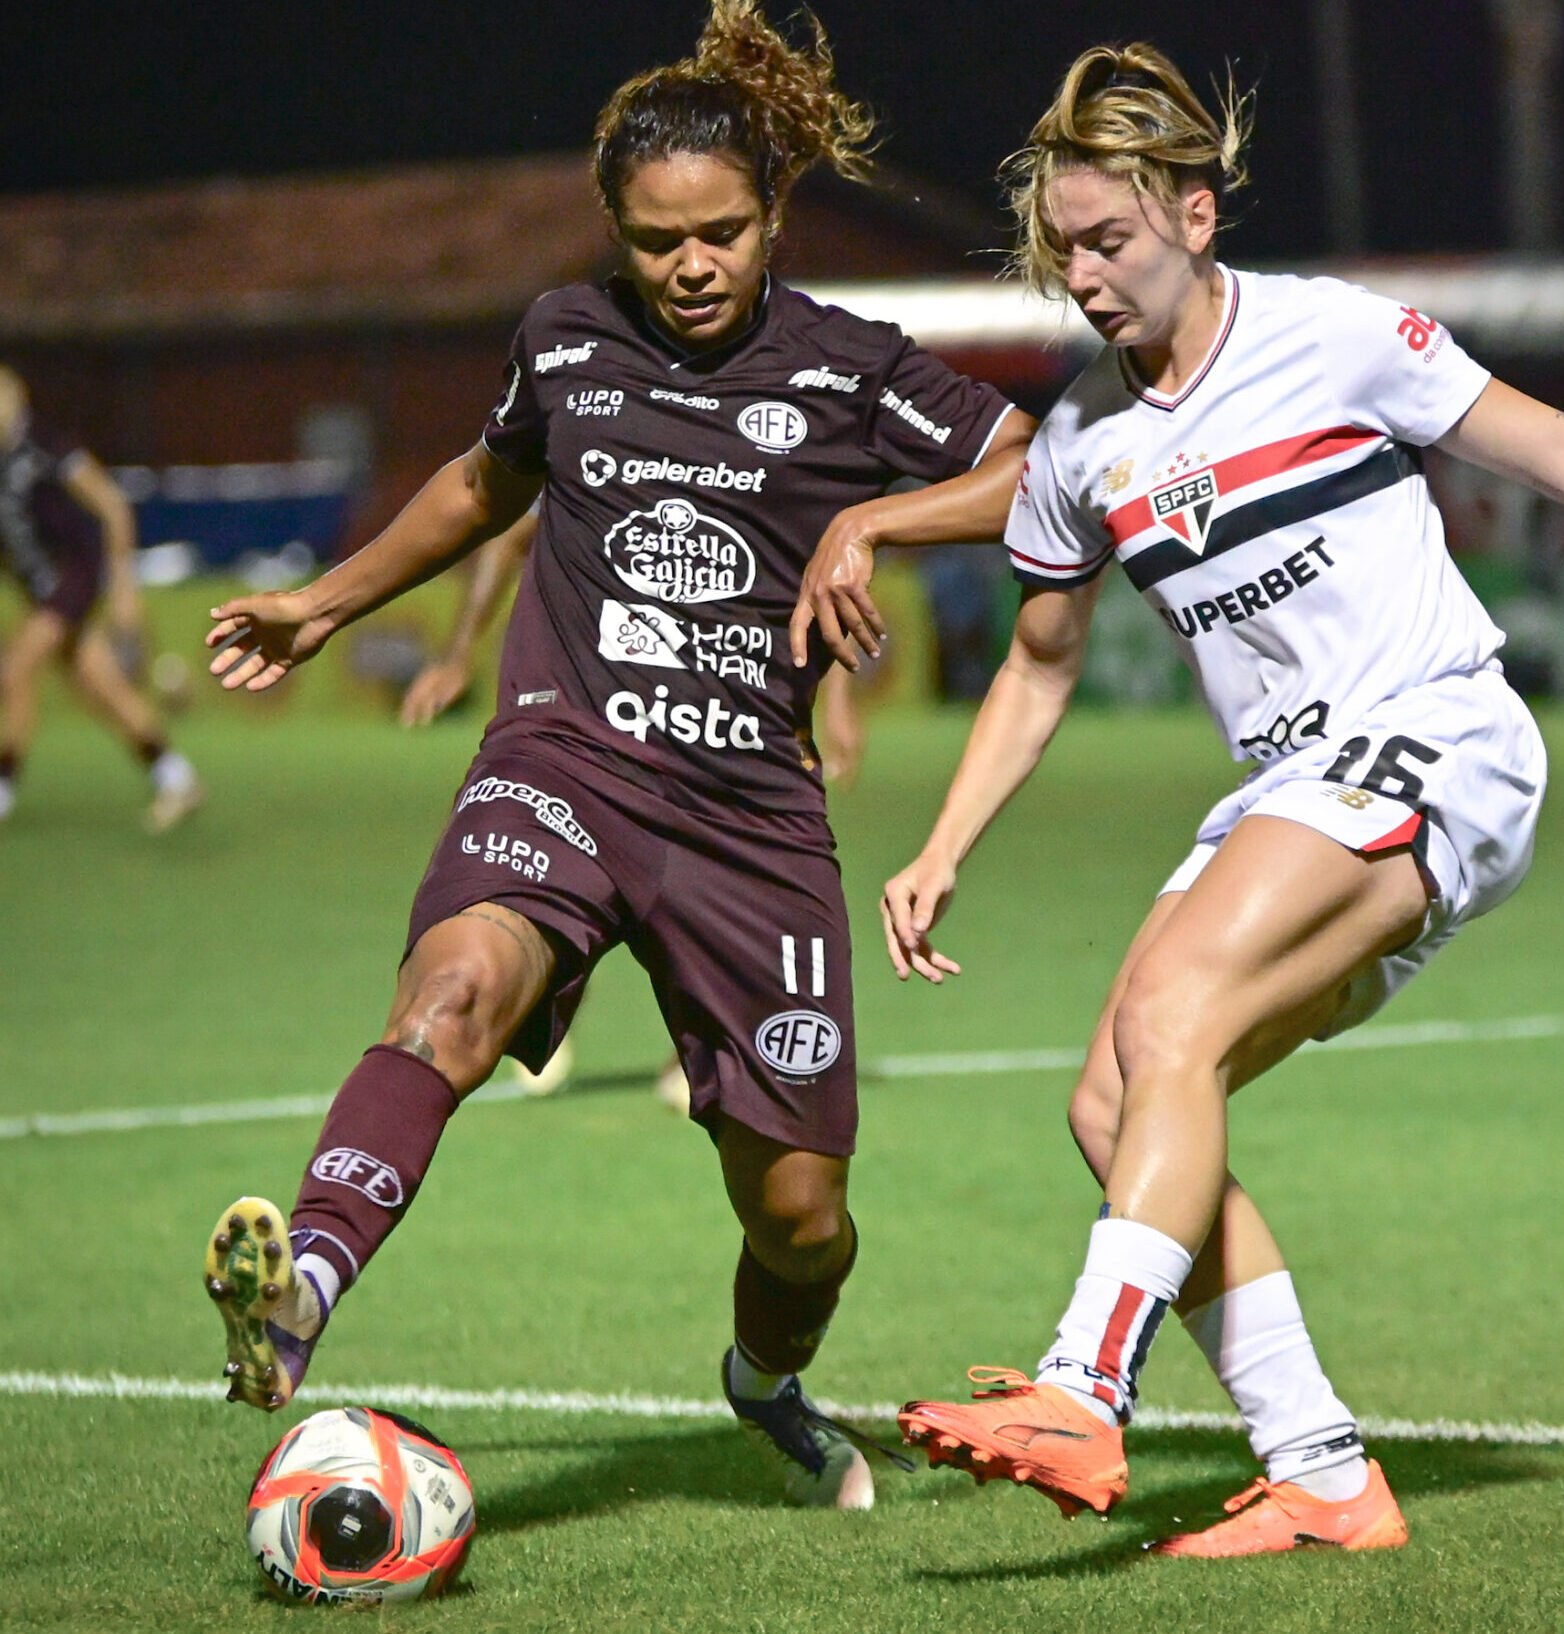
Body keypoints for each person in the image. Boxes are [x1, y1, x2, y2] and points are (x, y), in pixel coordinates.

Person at [872, 44, 1564, 1555]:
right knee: (1120, 1094)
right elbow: (1037, 661)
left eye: (1111, 241)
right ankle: (1323, 1470)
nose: (1083, 276)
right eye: (1061, 249)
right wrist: (941, 846)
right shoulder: (1081, 440)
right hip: (1295, 782)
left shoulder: (1334, 337)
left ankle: (1085, 1381)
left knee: (1172, 1016)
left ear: (1198, 216)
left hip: (1436, 735)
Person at [197, 0, 1033, 1511]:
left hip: (750, 822)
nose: (693, 266)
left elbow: (1036, 462)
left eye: (721, 231)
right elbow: (480, 483)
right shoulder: (564, 340)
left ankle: (763, 1379)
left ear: (773, 213)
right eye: (658, 241)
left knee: (800, 1219)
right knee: (448, 996)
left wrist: (867, 520)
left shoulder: (853, 368)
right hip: (565, 761)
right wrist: (322, 607)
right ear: (616, 231)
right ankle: (301, 1288)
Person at [398, 513, 866, 1102]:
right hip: (596, 716)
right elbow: (506, 532)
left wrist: (839, 699)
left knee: (714, 893)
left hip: (719, 723)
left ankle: (697, 1051)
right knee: (571, 873)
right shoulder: (608, 451)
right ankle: (543, 1002)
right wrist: (459, 650)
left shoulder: (764, 474)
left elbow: (825, 574)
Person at [0, 365, 203, 831]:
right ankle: (175, 776)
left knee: (16, 668)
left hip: (74, 576)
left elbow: (112, 506)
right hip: (42, 590)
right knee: (102, 686)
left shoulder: (47, 446)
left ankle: (4, 786)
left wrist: (123, 586)